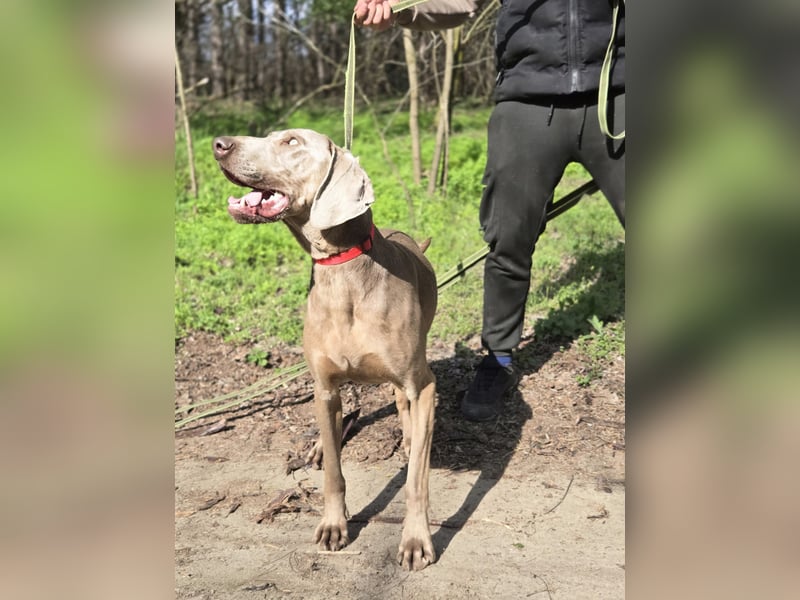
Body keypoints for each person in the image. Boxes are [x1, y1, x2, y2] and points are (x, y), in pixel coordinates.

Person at [354, 0, 625, 421]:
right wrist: (400, 9)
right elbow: (459, 4)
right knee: (508, 239)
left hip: (620, 92)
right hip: (527, 102)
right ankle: (498, 357)